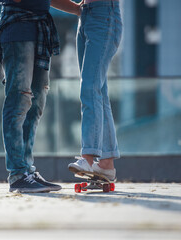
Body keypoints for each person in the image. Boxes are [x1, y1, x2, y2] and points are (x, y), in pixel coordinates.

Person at [0, 0, 82, 193]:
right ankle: (17, 175)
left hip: (39, 31)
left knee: (37, 102)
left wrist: (76, 9)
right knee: (18, 100)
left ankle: (27, 171)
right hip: (17, 30)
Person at [68, 0, 123, 181]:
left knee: (90, 88)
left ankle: (88, 157)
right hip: (84, 16)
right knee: (99, 92)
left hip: (104, 14)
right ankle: (106, 164)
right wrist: (79, 9)